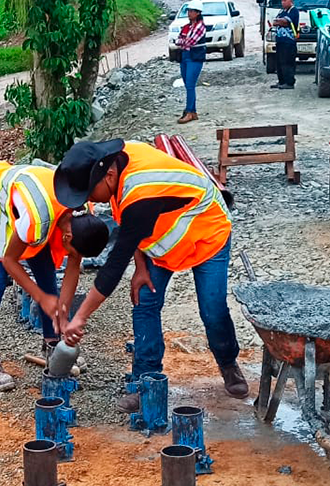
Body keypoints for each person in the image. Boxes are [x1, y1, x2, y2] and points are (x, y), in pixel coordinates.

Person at [52, 139, 248, 412]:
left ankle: (228, 363)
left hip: (206, 234)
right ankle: (146, 383)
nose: (87, 200)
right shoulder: (121, 161)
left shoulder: (141, 190)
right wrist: (141, 268)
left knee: (212, 308)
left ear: (108, 175)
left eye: (87, 192)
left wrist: (80, 317)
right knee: (144, 301)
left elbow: (114, 265)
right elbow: (132, 226)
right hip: (163, 241)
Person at [0, 161, 111, 392]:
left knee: (46, 270)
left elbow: (73, 265)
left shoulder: (82, 212)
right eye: (72, 252)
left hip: (25, 204)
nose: (71, 256)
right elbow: (10, 261)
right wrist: (40, 297)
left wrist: (63, 321)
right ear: (67, 237)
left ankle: (52, 344)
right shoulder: (38, 218)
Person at [175, 2, 209, 124]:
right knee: (187, 84)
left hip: (194, 57)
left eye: (192, 11)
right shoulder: (187, 27)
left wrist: (182, 41)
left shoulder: (200, 27)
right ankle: (192, 111)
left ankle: (189, 111)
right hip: (185, 56)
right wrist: (182, 41)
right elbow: (178, 40)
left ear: (198, 13)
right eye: (189, 11)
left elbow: (190, 41)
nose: (189, 13)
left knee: (190, 84)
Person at [269, 0, 300, 89]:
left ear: (290, 1)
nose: (282, 3)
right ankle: (281, 81)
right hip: (280, 41)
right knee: (279, 62)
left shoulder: (294, 11)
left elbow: (285, 22)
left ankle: (289, 82)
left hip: (289, 42)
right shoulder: (282, 11)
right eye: (282, 0)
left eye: (284, 0)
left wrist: (280, 22)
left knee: (288, 62)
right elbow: (275, 22)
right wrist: (279, 22)